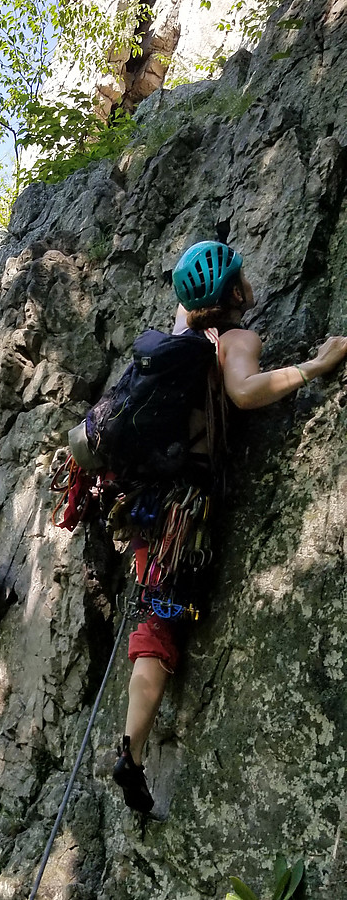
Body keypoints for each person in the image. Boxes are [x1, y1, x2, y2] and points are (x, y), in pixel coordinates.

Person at [112, 240, 347, 815]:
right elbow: (243, 392)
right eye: (241, 277)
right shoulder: (236, 340)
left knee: (152, 610)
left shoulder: (180, 332)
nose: (249, 281)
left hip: (148, 502)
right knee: (161, 627)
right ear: (234, 294)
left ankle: (132, 753)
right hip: (184, 511)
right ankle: (130, 752)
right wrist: (314, 367)